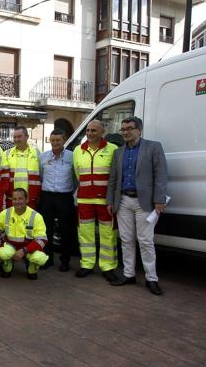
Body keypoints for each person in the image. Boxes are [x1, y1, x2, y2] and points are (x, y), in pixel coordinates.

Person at [107, 117, 168, 295]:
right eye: (123, 129)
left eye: (129, 128)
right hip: (123, 201)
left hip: (146, 202)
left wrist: (159, 199)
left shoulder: (153, 147)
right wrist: (110, 201)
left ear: (139, 130)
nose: (125, 132)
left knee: (146, 241)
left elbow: (161, 175)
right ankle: (129, 274)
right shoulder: (118, 152)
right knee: (126, 240)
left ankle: (151, 278)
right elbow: (113, 179)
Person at [73, 120, 118, 281]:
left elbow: (115, 176)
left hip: (105, 201)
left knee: (108, 235)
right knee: (85, 234)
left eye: (93, 131)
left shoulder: (113, 149)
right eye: (88, 130)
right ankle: (87, 264)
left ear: (102, 131)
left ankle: (108, 267)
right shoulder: (78, 150)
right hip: (84, 200)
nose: (90, 134)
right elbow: (78, 173)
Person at [38, 128, 78, 272]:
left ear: (64, 140)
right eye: (53, 140)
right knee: (46, 229)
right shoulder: (43, 157)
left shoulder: (72, 156)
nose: (55, 143)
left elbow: (76, 178)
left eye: (58, 140)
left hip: (65, 197)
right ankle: (47, 259)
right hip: (47, 196)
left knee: (66, 230)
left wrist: (70, 191)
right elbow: (41, 175)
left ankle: (65, 260)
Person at [0, 188, 49, 280]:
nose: (17, 202)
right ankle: (7, 266)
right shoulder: (5, 213)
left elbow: (42, 240)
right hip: (10, 246)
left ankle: (31, 270)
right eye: (14, 199)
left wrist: (24, 250)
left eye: (20, 198)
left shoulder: (36, 216)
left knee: (40, 258)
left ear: (26, 199)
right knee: (2, 253)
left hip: (28, 248)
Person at [5, 126, 42, 209]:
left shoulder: (37, 154)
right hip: (12, 200)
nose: (17, 139)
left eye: (19, 137)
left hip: (31, 200)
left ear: (27, 137)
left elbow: (42, 175)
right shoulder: (7, 154)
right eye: (14, 137)